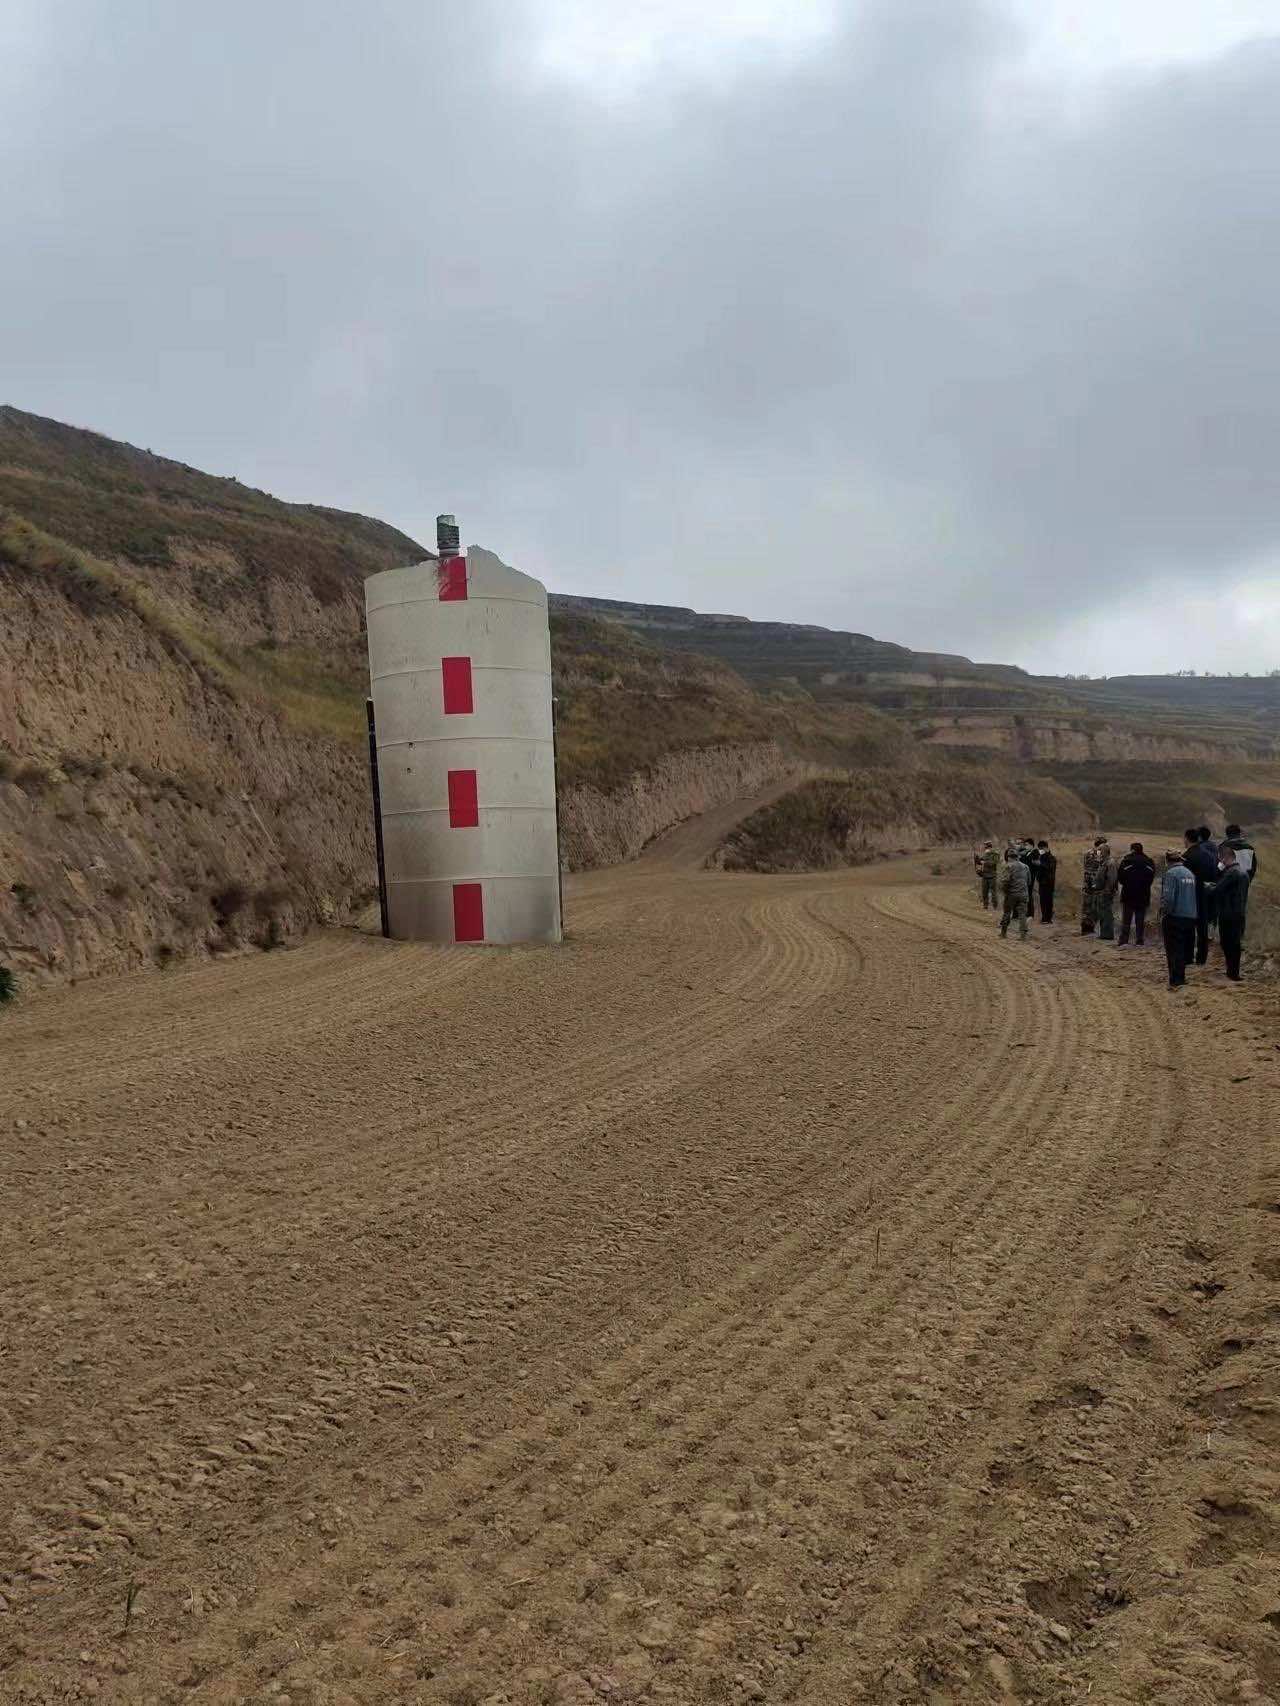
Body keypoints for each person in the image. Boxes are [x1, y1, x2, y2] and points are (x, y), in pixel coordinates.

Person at [1207, 845, 1249, 981]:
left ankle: (1232, 972)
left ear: (1225, 858)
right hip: (1239, 912)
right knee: (1235, 943)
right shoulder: (1243, 872)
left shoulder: (1231, 872)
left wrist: (1206, 886)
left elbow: (1217, 890)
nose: (1220, 861)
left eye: (1220, 858)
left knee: (1227, 943)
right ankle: (1233, 971)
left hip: (1228, 914)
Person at [1159, 849, 1198, 989]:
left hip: (1175, 917)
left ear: (1167, 860)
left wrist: (1164, 913)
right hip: (1190, 916)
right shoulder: (1190, 874)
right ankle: (1181, 977)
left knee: (1173, 949)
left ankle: (1175, 980)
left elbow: (1168, 899)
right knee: (1183, 948)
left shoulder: (1171, 874)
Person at [1182, 828, 1217, 966]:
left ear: (1187, 838)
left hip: (1191, 896)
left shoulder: (1187, 856)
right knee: (1202, 929)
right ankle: (1202, 958)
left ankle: (1188, 957)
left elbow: (1184, 879)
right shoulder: (1209, 855)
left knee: (1189, 928)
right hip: (1206, 895)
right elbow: (1214, 875)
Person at [1116, 841, 1156, 946]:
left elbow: (1120, 878)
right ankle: (1139, 940)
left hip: (1128, 893)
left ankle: (1124, 940)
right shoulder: (1149, 862)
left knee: (1126, 919)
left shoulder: (1126, 861)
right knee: (1140, 919)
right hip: (1143, 894)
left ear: (1132, 850)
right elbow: (1151, 878)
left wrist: (1128, 884)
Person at [1090, 838, 1119, 941]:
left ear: (1105, 852)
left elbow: (1112, 878)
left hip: (1106, 892)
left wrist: (1107, 890)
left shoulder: (1110, 863)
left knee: (1106, 914)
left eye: (1099, 851)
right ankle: (1104, 933)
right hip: (1101, 892)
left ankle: (1107, 934)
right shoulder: (1104, 862)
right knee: (1102, 913)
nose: (1098, 853)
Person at [999, 850, 1031, 940]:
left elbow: (1005, 881)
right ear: (1017, 857)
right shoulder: (1026, 867)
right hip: (1024, 894)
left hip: (1012, 894)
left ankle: (1003, 933)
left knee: (1007, 912)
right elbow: (1029, 881)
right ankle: (1023, 935)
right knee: (1022, 915)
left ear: (1009, 857)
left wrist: (1005, 891)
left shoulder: (1008, 866)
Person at [1081, 839, 1103, 934]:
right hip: (1095, 883)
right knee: (1095, 906)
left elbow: (1085, 866)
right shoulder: (1099, 855)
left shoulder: (1087, 853)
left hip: (1087, 883)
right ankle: (1090, 927)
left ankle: (1085, 928)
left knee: (1086, 906)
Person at [1035, 839, 1057, 923]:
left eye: (1041, 848)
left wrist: (1040, 864)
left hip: (1049, 883)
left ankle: (1048, 918)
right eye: (1039, 849)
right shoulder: (1041, 857)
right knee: (1042, 901)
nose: (1040, 850)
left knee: (1048, 901)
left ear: (1046, 848)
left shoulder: (1052, 858)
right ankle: (1044, 917)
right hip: (1042, 882)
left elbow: (1050, 868)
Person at [975, 841, 999, 909]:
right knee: (984, 891)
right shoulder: (985, 853)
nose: (985, 848)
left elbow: (994, 863)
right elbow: (980, 862)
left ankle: (995, 906)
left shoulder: (995, 854)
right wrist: (977, 859)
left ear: (989, 846)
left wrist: (984, 862)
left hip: (992, 876)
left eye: (986, 846)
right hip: (985, 875)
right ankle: (985, 905)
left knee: (993, 892)